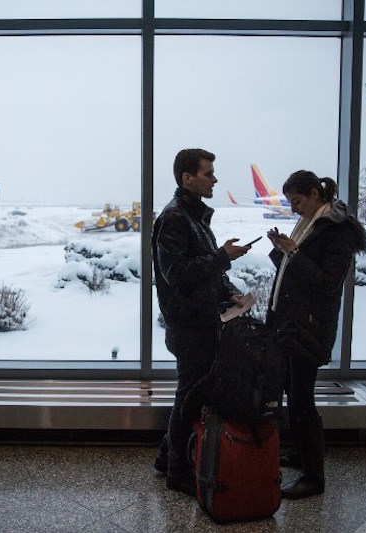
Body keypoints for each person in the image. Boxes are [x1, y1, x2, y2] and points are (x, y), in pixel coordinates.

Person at [152, 148, 251, 496]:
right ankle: (177, 471)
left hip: (201, 322)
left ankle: (168, 457)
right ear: (187, 179)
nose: (215, 179)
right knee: (189, 398)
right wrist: (223, 256)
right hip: (189, 327)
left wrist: (231, 294)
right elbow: (176, 273)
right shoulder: (176, 218)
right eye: (208, 173)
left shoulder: (194, 218)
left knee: (190, 395)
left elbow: (207, 270)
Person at [265, 170, 366, 499]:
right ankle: (305, 454)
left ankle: (314, 477)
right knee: (294, 395)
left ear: (314, 194)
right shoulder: (314, 224)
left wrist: (293, 253)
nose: (293, 209)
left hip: (309, 328)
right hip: (294, 324)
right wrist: (281, 250)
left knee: (300, 400)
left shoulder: (334, 231)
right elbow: (296, 271)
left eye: (297, 201)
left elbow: (326, 284)